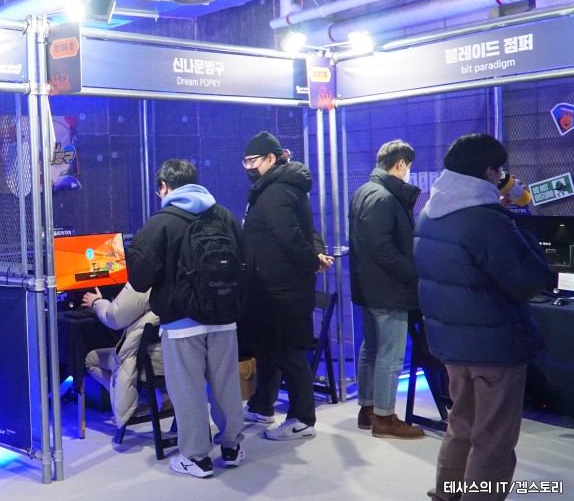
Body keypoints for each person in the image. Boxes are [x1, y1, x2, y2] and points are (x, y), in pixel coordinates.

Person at [415, 133, 552, 501]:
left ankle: (448, 493)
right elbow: (528, 281)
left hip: (452, 344)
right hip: (495, 348)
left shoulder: (430, 213)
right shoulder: (487, 221)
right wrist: (516, 227)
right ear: (489, 172)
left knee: (462, 424)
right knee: (493, 437)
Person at [127, 159, 246, 479]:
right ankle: (232, 447)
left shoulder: (161, 222)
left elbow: (140, 278)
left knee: (187, 389)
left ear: (165, 187)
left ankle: (196, 457)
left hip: (181, 322)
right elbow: (244, 259)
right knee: (226, 384)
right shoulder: (223, 215)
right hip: (224, 317)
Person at [240, 131, 332, 441]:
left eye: (252, 161)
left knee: (287, 352)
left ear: (271, 158)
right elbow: (308, 231)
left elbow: (291, 237)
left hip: (281, 289)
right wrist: (314, 254)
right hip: (274, 286)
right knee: (269, 349)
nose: (249, 167)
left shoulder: (276, 191)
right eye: (245, 161)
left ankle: (301, 419)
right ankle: (262, 405)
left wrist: (310, 260)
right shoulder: (280, 187)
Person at [349, 140, 425, 440]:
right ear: (401, 164)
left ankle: (368, 409)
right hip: (388, 289)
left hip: (369, 288)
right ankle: (384, 417)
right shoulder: (384, 197)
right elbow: (382, 249)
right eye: (409, 167)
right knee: (390, 355)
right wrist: (414, 273)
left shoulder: (364, 191)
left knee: (371, 349)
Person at [81, 283, 164, 427]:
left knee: (91, 359)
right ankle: (165, 397)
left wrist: (96, 302)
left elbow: (113, 317)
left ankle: (131, 400)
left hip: (146, 365)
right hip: (171, 361)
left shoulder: (142, 281)